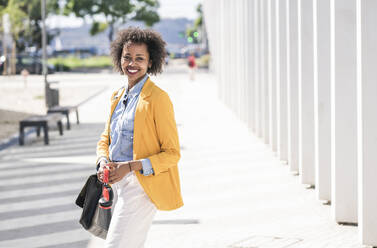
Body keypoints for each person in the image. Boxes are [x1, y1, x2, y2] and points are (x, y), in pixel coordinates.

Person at [96, 27, 183, 248]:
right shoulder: (117, 96)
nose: (132, 63)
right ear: (119, 58)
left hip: (141, 186)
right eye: (127, 57)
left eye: (139, 58)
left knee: (116, 245)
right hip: (115, 184)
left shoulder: (158, 99)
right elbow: (106, 138)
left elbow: (172, 154)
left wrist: (131, 166)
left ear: (150, 62)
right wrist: (102, 160)